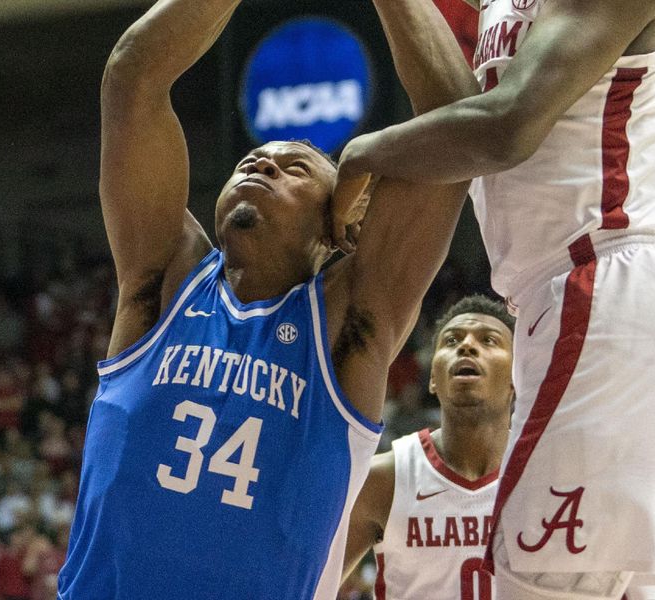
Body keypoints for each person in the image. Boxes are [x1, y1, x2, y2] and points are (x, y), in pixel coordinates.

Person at [55, 0, 478, 598]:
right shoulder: (162, 281)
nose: (263, 161)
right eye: (253, 160)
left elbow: (458, 123)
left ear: (338, 226)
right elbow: (133, 74)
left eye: (296, 168)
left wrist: (364, 154)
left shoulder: (346, 323)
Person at [331, 0, 655, 599]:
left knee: (533, 586)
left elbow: (507, 126)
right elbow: (460, 113)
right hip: (609, 316)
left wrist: (361, 154)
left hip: (604, 291)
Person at [342, 295, 515, 599]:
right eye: (451, 340)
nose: (467, 346)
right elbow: (311, 585)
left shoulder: (544, 475)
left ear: (518, 377)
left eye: (489, 340)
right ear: (433, 378)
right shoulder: (386, 478)